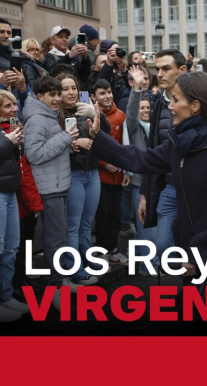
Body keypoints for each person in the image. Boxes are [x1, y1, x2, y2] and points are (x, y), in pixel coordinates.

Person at [86, 71, 207, 335]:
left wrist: (198, 252)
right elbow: (141, 160)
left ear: (195, 105)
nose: (170, 106)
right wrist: (98, 137)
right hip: (192, 255)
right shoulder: (179, 143)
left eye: (176, 100)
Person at [23, 76, 80, 306]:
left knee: (60, 237)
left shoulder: (49, 115)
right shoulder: (37, 119)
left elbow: (50, 149)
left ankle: (59, 282)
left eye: (59, 94)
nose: (57, 98)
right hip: (50, 188)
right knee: (55, 240)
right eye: (52, 95)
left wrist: (68, 144)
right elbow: (34, 155)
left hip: (58, 185)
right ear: (39, 97)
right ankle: (55, 290)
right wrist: (66, 138)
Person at [139, 49, 187, 276]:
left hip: (194, 188)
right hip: (168, 186)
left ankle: (194, 299)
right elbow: (152, 151)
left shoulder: (198, 99)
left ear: (182, 70)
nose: (159, 73)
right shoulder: (157, 102)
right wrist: (144, 194)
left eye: (166, 68)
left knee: (194, 250)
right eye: (157, 69)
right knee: (163, 246)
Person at [57, 73, 104, 284]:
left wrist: (96, 114)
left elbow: (105, 134)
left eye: (73, 88)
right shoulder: (54, 115)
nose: (71, 92)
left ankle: (87, 258)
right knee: (73, 225)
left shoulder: (86, 108)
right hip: (73, 174)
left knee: (87, 223)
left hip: (92, 172)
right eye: (65, 89)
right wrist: (73, 144)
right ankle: (74, 268)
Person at [0, 89, 33, 322]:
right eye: (8, 106)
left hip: (10, 192)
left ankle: (6, 295)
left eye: (14, 105)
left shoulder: (11, 128)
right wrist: (7, 142)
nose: (14, 109)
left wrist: (15, 141)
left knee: (11, 247)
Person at [122, 66, 157, 275]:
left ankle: (141, 259)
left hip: (159, 182)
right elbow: (131, 112)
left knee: (151, 227)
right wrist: (137, 89)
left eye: (148, 108)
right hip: (139, 184)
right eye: (142, 108)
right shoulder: (134, 128)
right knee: (146, 226)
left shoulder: (158, 127)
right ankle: (148, 267)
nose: (145, 110)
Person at [91, 79, 130, 264]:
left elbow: (125, 144)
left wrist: (126, 170)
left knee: (116, 215)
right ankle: (100, 252)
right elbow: (89, 147)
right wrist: (105, 164)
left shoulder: (120, 116)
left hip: (118, 177)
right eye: (102, 93)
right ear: (93, 97)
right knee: (102, 216)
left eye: (109, 92)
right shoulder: (89, 116)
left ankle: (113, 249)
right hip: (100, 176)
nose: (107, 96)